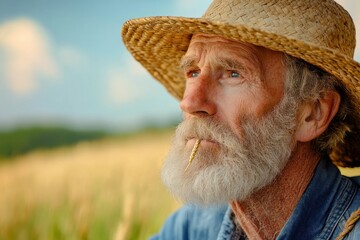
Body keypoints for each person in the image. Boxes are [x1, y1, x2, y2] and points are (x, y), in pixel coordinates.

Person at [122, 0, 360, 239]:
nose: (190, 103)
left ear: (313, 113)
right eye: (193, 72)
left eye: (233, 73)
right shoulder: (192, 226)